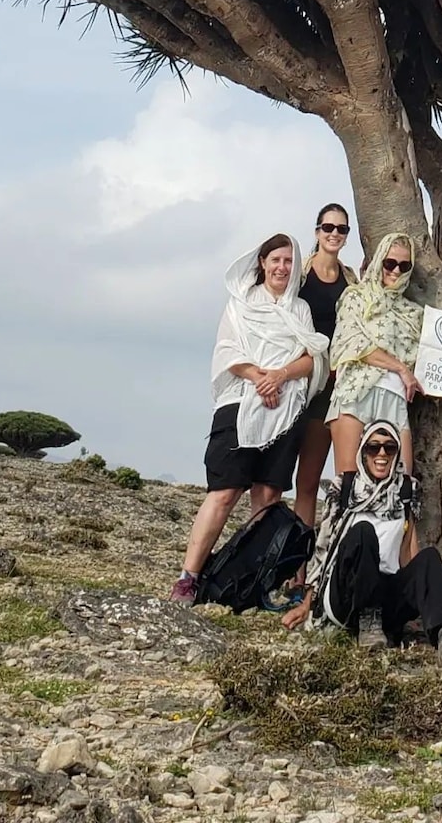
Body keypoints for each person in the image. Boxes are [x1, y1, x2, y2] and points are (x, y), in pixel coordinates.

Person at [170, 233, 329, 605]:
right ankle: (188, 577)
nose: (282, 267)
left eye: (289, 262)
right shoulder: (241, 304)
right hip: (241, 403)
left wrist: (281, 376)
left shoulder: (299, 310)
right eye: (276, 260)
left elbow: (313, 358)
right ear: (262, 262)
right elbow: (228, 351)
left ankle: (255, 580)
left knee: (269, 495)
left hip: (285, 409)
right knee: (224, 492)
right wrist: (260, 377)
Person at [281, 421, 442, 675]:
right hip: (348, 596)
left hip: (387, 596)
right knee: (363, 532)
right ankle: (367, 619)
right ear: (363, 451)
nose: (381, 455)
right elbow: (324, 548)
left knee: (428, 558)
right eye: (373, 448)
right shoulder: (345, 487)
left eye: (389, 448)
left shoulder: (407, 489)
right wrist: (308, 603)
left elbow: (407, 548)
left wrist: (420, 591)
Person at [327, 233, 423, 503]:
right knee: (349, 487)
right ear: (378, 261)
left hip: (394, 399)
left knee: (401, 490)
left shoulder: (413, 313)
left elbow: (437, 346)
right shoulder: (355, 298)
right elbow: (351, 344)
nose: (395, 270)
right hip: (356, 394)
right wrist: (401, 368)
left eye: (404, 266)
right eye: (389, 263)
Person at [294, 204, 358, 529]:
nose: (334, 234)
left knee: (331, 481)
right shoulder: (300, 275)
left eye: (341, 229)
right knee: (302, 483)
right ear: (317, 231)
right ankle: (295, 576)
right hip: (301, 381)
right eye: (328, 227)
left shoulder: (351, 280)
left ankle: (323, 570)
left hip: (336, 386)